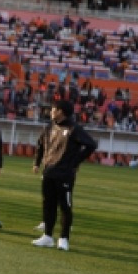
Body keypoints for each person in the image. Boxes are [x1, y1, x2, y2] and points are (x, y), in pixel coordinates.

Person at [32, 100, 98, 251]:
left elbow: (91, 145)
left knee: (65, 206)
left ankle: (63, 238)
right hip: (48, 171)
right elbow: (40, 144)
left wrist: (75, 162)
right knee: (48, 205)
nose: (51, 111)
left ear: (60, 111)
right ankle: (47, 236)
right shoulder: (49, 126)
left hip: (64, 174)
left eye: (53, 109)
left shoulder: (74, 128)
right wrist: (37, 162)